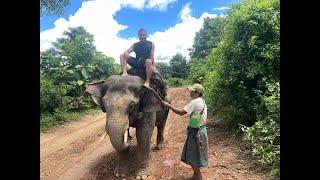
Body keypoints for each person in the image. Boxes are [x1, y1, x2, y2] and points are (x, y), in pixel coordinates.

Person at [162, 83, 208, 180]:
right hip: (200, 130)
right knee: (195, 154)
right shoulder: (202, 101)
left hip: (196, 132)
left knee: (192, 155)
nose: (190, 93)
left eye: (192, 91)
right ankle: (196, 175)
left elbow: (181, 112)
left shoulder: (195, 102)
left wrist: (168, 105)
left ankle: (198, 177)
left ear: (197, 92)